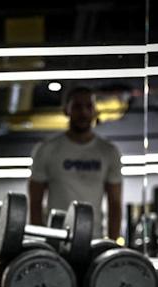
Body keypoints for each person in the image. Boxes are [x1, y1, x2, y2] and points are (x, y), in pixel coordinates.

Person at [28, 86, 123, 240]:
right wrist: (40, 241)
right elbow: (35, 201)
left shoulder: (109, 152)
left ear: (95, 111)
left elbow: (115, 203)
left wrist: (112, 243)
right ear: (67, 110)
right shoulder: (46, 149)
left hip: (93, 240)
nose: (84, 112)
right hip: (56, 239)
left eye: (88, 106)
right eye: (77, 106)